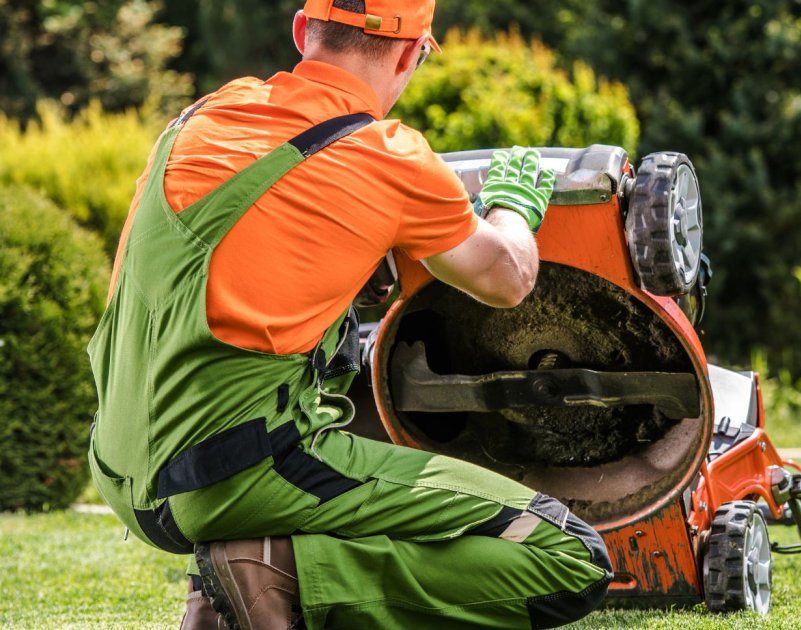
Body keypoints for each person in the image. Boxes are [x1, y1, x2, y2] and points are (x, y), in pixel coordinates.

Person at [85, 0, 613, 628]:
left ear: (303, 30)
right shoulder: (389, 155)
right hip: (234, 474)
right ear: (412, 53)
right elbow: (508, 278)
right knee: (569, 553)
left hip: (125, 471)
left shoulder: (198, 120)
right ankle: (276, 574)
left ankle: (237, 584)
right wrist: (512, 206)